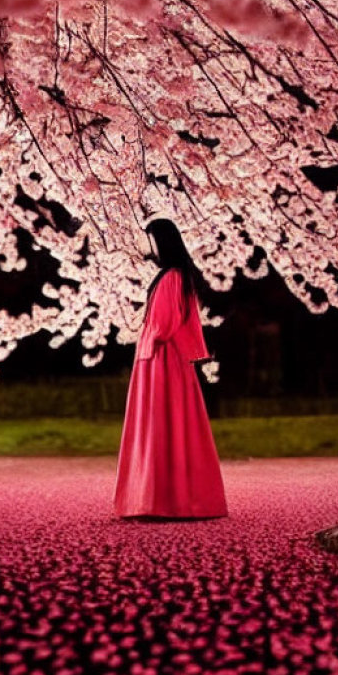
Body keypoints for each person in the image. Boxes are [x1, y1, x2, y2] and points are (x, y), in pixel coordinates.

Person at [114, 218, 228, 519]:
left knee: (161, 425)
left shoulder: (172, 277)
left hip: (162, 360)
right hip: (163, 359)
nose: (147, 248)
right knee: (169, 426)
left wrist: (145, 333)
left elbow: (163, 326)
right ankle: (166, 499)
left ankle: (159, 500)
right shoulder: (176, 277)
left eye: (151, 240)